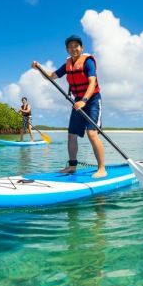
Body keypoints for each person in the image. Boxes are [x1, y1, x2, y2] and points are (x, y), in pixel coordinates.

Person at [32, 35, 107, 178]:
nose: (73, 49)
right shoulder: (67, 64)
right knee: (72, 135)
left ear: (81, 48)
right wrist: (39, 68)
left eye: (76, 46)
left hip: (91, 100)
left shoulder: (88, 62)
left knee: (92, 133)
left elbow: (92, 83)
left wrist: (84, 100)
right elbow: (51, 76)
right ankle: (72, 166)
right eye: (70, 47)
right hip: (78, 101)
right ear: (67, 49)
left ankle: (102, 168)